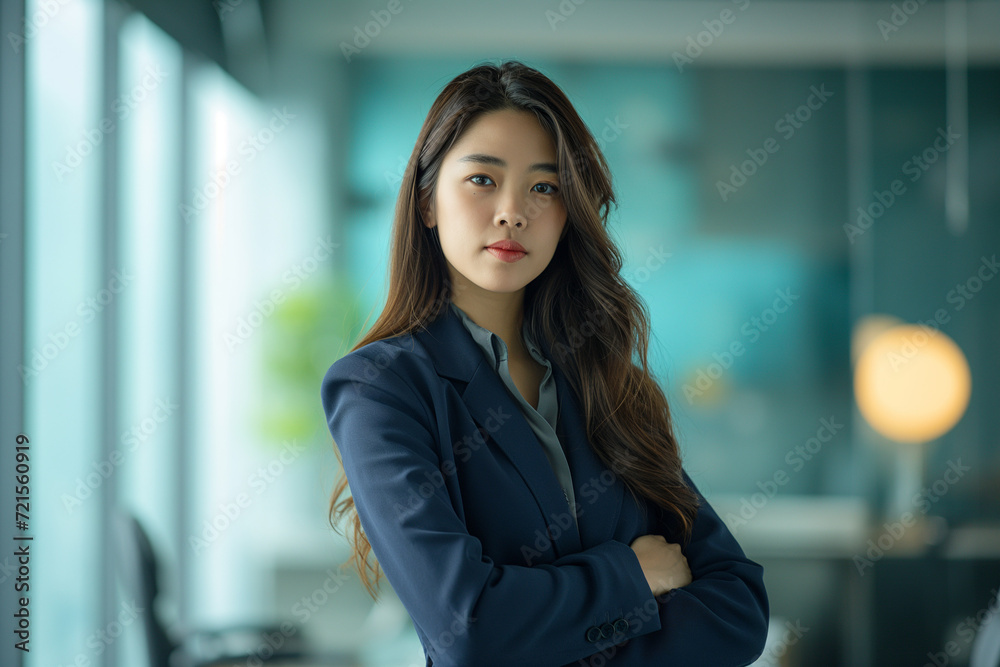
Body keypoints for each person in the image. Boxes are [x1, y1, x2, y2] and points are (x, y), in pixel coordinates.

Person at [320, 59, 768, 667]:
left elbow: (739, 609)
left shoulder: (613, 384)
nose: (512, 212)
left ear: (568, 214)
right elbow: (470, 630)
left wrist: (546, 633)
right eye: (482, 179)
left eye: (544, 187)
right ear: (426, 202)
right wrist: (631, 576)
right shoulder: (381, 388)